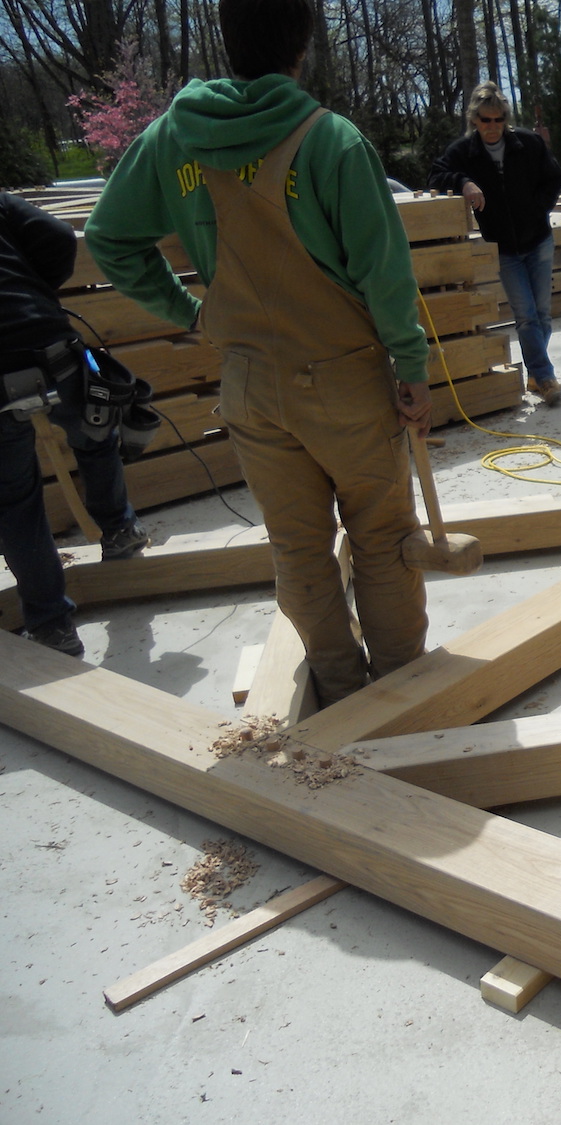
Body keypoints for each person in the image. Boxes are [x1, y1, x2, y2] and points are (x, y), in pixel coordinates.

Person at [85, 0, 430, 706]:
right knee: (384, 536)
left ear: (225, 39)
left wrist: (192, 313)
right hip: (344, 384)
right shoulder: (331, 141)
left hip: (248, 383)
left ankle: (338, 691)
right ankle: (399, 696)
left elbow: (110, 238)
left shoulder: (172, 139)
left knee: (299, 549)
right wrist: (412, 369)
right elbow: (384, 274)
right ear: (302, 45)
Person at [0, 193, 150, 658]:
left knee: (14, 501)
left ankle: (51, 626)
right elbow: (58, 237)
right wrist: (37, 292)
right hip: (47, 343)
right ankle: (119, 532)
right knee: (94, 434)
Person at [429, 82, 561, 406]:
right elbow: (436, 175)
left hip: (539, 241)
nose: (492, 127)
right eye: (485, 120)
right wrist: (464, 182)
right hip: (504, 249)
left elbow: (555, 176)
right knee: (526, 316)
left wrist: (537, 209)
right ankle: (545, 376)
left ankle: (534, 374)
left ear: (506, 119)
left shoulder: (528, 144)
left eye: (498, 119)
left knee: (543, 315)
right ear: (474, 119)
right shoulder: (464, 152)